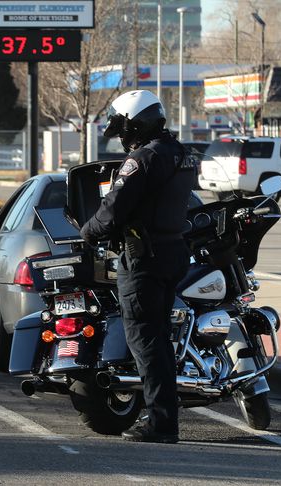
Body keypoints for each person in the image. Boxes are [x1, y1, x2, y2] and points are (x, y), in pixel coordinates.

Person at [79, 90, 195, 444]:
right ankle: (162, 417)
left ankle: (162, 425)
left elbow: (113, 209)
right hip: (173, 252)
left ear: (137, 124)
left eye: (125, 130)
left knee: (146, 341)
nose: (123, 138)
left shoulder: (142, 160)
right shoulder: (181, 154)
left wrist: (87, 232)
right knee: (158, 339)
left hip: (143, 259)